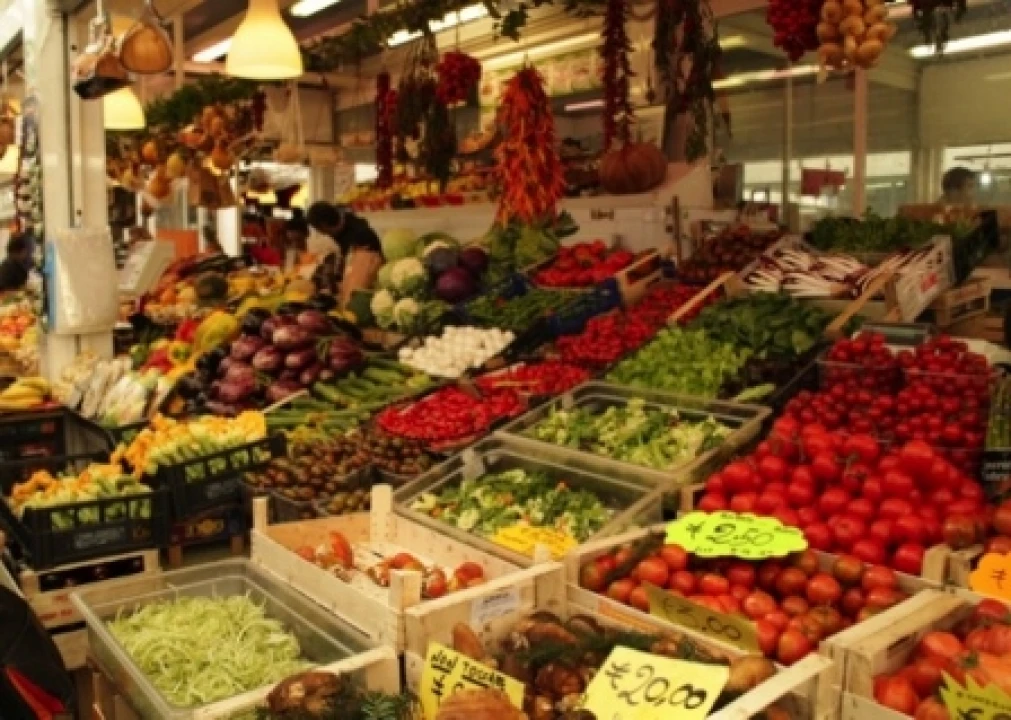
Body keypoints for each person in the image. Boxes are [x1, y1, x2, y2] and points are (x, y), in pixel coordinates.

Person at [306, 202, 383, 257]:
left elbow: (364, 266)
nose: (321, 234)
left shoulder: (360, 235)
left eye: (318, 229)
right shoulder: (342, 221)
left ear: (324, 225)